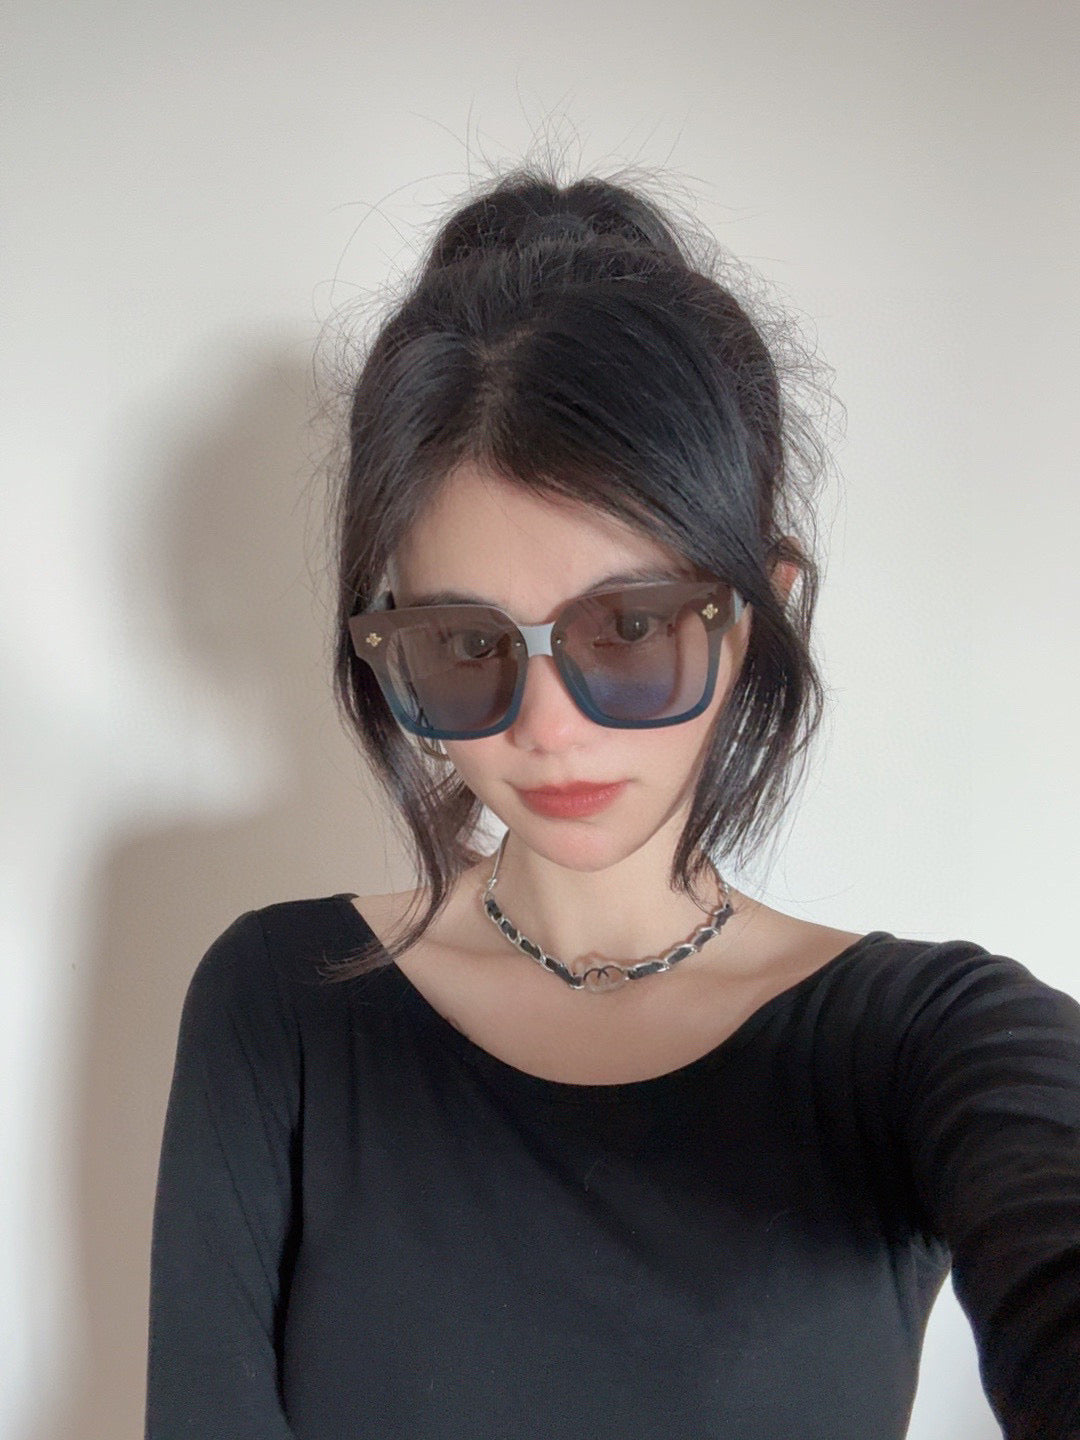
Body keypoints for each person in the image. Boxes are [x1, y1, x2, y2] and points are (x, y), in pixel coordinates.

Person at [144, 166, 1080, 1440]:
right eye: (463, 644)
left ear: (758, 611)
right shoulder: (282, 1005)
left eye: (630, 628)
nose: (547, 727)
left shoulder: (918, 1041)